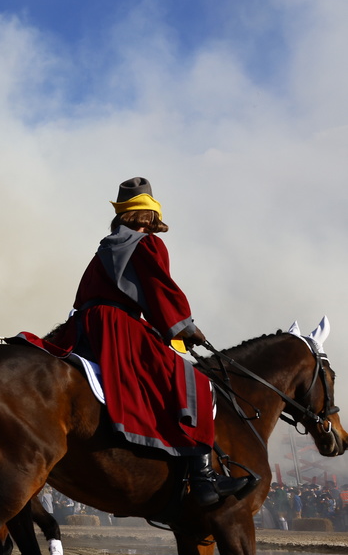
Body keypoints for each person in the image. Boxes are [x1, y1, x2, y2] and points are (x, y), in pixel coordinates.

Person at [56, 176, 254, 507]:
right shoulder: (147, 244)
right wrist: (186, 328)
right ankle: (203, 479)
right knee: (195, 382)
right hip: (117, 324)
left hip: (85, 324)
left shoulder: (106, 246)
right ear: (150, 214)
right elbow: (160, 289)